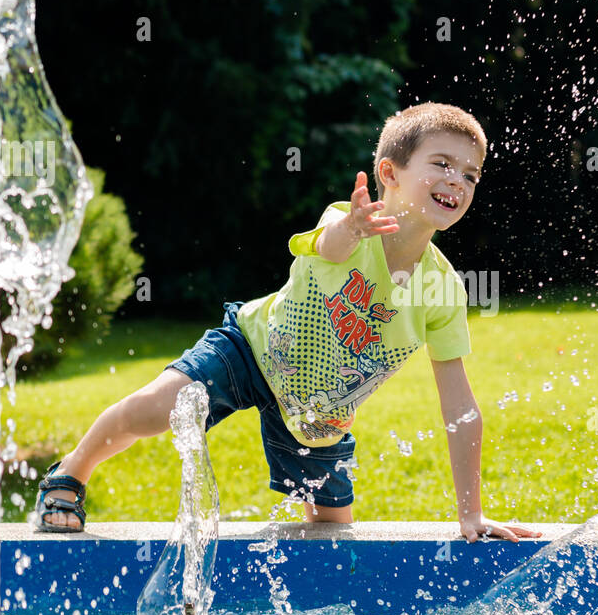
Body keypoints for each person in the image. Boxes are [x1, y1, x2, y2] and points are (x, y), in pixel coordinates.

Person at [33, 102, 542, 544]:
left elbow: (460, 405)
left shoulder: (443, 289)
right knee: (155, 408)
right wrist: (352, 226)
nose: (458, 179)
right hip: (251, 352)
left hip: (319, 416)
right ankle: (71, 473)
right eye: (442, 164)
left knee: (332, 537)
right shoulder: (345, 223)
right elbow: (330, 244)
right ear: (389, 173)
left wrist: (470, 512)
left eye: (471, 174)